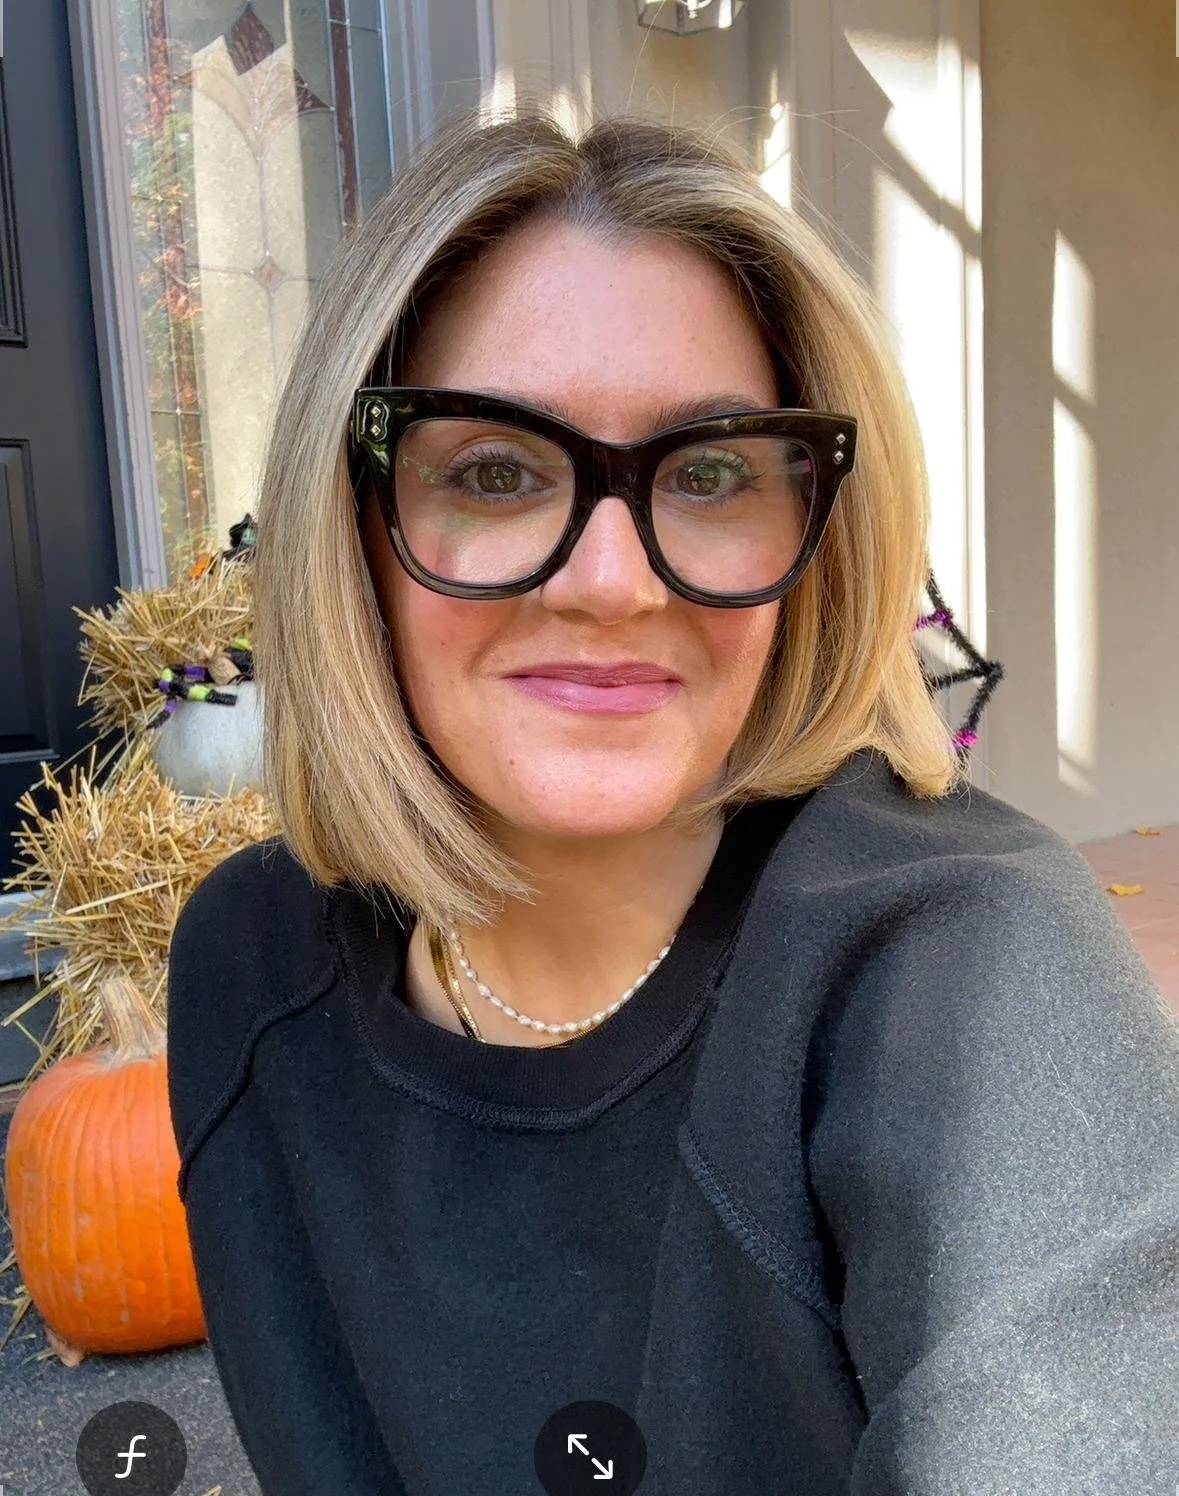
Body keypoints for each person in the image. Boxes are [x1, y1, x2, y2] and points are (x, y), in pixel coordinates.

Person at [166, 109, 1179, 1495]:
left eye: (709, 475)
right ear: (349, 525)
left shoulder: (965, 970)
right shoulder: (252, 966)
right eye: (495, 471)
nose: (610, 582)